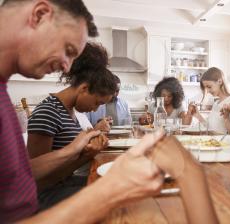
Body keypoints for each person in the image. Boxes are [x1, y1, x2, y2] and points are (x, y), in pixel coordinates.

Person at [0, 1, 163, 223]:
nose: (67, 68)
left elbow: (19, 181)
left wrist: (80, 152)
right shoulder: (45, 111)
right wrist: (104, 192)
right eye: (67, 50)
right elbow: (30, 186)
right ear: (39, 15)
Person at [27, 42, 117, 209]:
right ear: (84, 88)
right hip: (45, 198)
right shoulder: (48, 112)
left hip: (65, 184)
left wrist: (88, 153)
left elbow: (63, 168)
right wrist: (83, 156)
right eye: (97, 102)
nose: (96, 109)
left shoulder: (70, 111)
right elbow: (34, 180)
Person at [188, 67, 230, 134]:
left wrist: (226, 119)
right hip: (214, 142)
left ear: (220, 81)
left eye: (209, 87)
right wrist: (198, 115)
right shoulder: (216, 103)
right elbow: (211, 127)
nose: (207, 91)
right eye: (205, 88)